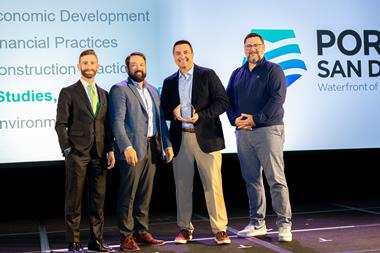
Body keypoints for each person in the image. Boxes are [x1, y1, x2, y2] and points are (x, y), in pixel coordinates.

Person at [160, 40, 231, 245]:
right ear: (173, 57)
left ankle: (220, 230)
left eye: (185, 52)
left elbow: (223, 101)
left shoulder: (207, 74)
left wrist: (200, 115)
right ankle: (184, 229)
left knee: (213, 186)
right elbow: (163, 110)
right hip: (180, 139)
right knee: (182, 187)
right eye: (178, 53)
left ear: (193, 54)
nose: (182, 56)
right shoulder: (169, 81)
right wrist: (172, 113)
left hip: (206, 139)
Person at [226, 32, 292, 242]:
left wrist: (256, 119)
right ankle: (257, 223)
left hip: (268, 130)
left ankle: (284, 225)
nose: (252, 49)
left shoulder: (274, 70)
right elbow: (228, 100)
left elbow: (277, 100)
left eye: (256, 45)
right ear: (244, 49)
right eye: (248, 46)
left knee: (275, 179)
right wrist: (234, 120)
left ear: (263, 48)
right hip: (243, 133)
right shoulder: (237, 73)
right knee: (252, 180)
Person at [109, 52, 174, 252]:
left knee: (145, 194)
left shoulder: (153, 90)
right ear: (127, 68)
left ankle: (141, 231)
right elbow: (117, 122)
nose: (138, 67)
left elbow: (160, 120)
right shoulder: (119, 89)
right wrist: (126, 146)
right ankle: (126, 236)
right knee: (128, 194)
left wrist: (167, 144)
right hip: (132, 149)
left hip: (151, 148)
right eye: (134, 64)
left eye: (141, 64)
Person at [55, 49, 115, 252]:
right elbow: (60, 124)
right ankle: (74, 242)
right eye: (85, 63)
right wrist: (67, 149)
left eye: (92, 63)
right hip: (77, 154)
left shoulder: (104, 94)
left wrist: (110, 149)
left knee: (98, 201)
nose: (89, 66)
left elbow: (107, 125)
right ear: (79, 66)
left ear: (98, 66)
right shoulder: (68, 92)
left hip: (99, 154)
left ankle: (96, 240)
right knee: (74, 200)